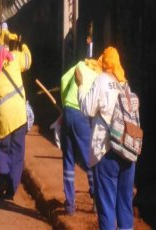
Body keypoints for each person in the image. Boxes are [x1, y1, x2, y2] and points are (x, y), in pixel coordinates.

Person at [75, 47, 136, 230]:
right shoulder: (125, 85)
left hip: (106, 152)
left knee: (107, 207)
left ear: (105, 63)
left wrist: (80, 86)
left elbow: (87, 109)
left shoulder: (102, 80)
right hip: (128, 152)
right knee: (125, 206)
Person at [0, 39, 32, 200]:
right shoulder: (14, 58)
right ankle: (12, 188)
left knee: (1, 149)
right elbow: (28, 60)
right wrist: (23, 45)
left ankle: (4, 178)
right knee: (17, 153)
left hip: (3, 119)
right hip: (19, 116)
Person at [60, 60, 99, 215]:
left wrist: (64, 104)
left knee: (68, 159)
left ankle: (70, 205)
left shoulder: (79, 65)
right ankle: (96, 199)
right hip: (83, 116)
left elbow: (64, 80)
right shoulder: (98, 75)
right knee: (90, 159)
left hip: (69, 112)